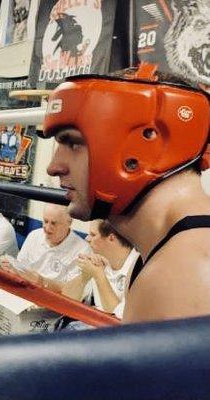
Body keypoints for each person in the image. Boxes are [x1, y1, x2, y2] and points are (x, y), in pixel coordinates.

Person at [41, 63, 210, 322]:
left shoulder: (181, 276)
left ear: (148, 145)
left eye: (74, 142)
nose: (53, 167)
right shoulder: (165, 253)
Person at [0, 204, 90, 293]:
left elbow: (72, 291)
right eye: (45, 221)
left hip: (53, 299)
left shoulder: (82, 250)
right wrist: (11, 267)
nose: (47, 228)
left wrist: (41, 281)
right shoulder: (34, 235)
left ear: (69, 222)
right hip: (24, 289)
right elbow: (20, 266)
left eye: (53, 223)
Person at [61, 220, 140, 318]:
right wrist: (84, 276)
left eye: (93, 235)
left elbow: (120, 317)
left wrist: (99, 275)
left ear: (111, 238)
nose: (87, 238)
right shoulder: (98, 259)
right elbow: (65, 299)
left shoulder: (139, 268)